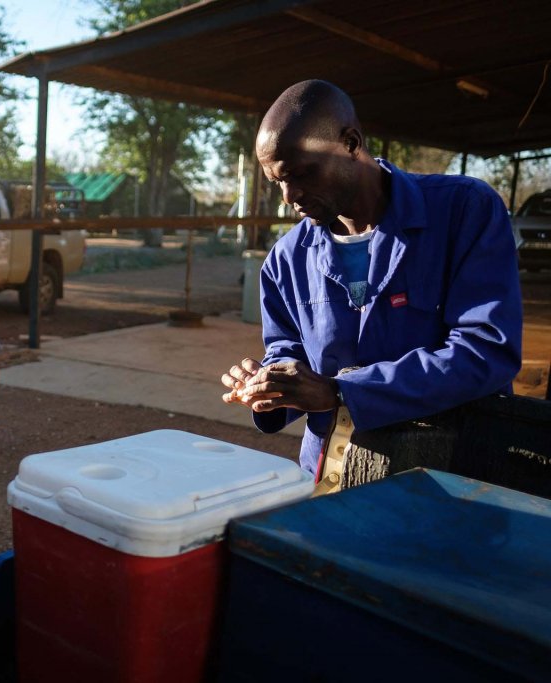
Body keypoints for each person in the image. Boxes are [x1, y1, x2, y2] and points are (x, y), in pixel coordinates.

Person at [220, 79, 522, 477]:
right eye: (278, 181)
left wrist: (342, 392)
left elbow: (486, 351)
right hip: (332, 471)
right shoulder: (285, 260)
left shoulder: (464, 211)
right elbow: (288, 350)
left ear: (350, 141)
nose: (289, 196)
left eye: (302, 173)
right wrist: (271, 383)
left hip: (450, 473)